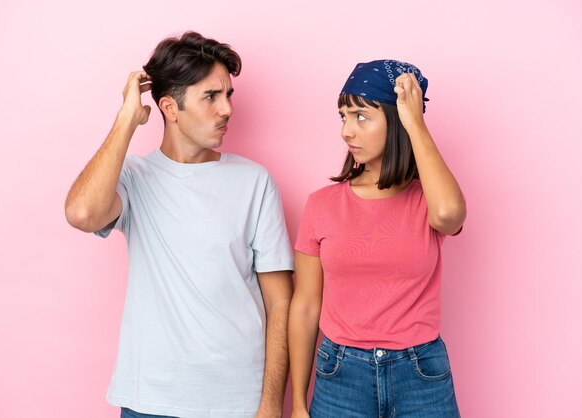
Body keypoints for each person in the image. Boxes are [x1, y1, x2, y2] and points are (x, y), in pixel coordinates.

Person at [65, 31, 294, 418]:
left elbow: (280, 301)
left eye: (228, 95)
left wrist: (271, 403)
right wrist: (126, 120)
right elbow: (82, 214)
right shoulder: (135, 178)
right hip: (151, 400)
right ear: (170, 108)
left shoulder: (255, 182)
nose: (227, 110)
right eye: (211, 96)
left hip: (238, 402)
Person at [288, 60, 466, 418]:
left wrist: (415, 122)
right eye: (343, 117)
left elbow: (449, 216)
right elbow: (306, 306)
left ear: (397, 119)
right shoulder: (322, 205)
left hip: (421, 373)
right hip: (340, 374)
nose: (346, 131)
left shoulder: (427, 201)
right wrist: (297, 404)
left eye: (361, 117)